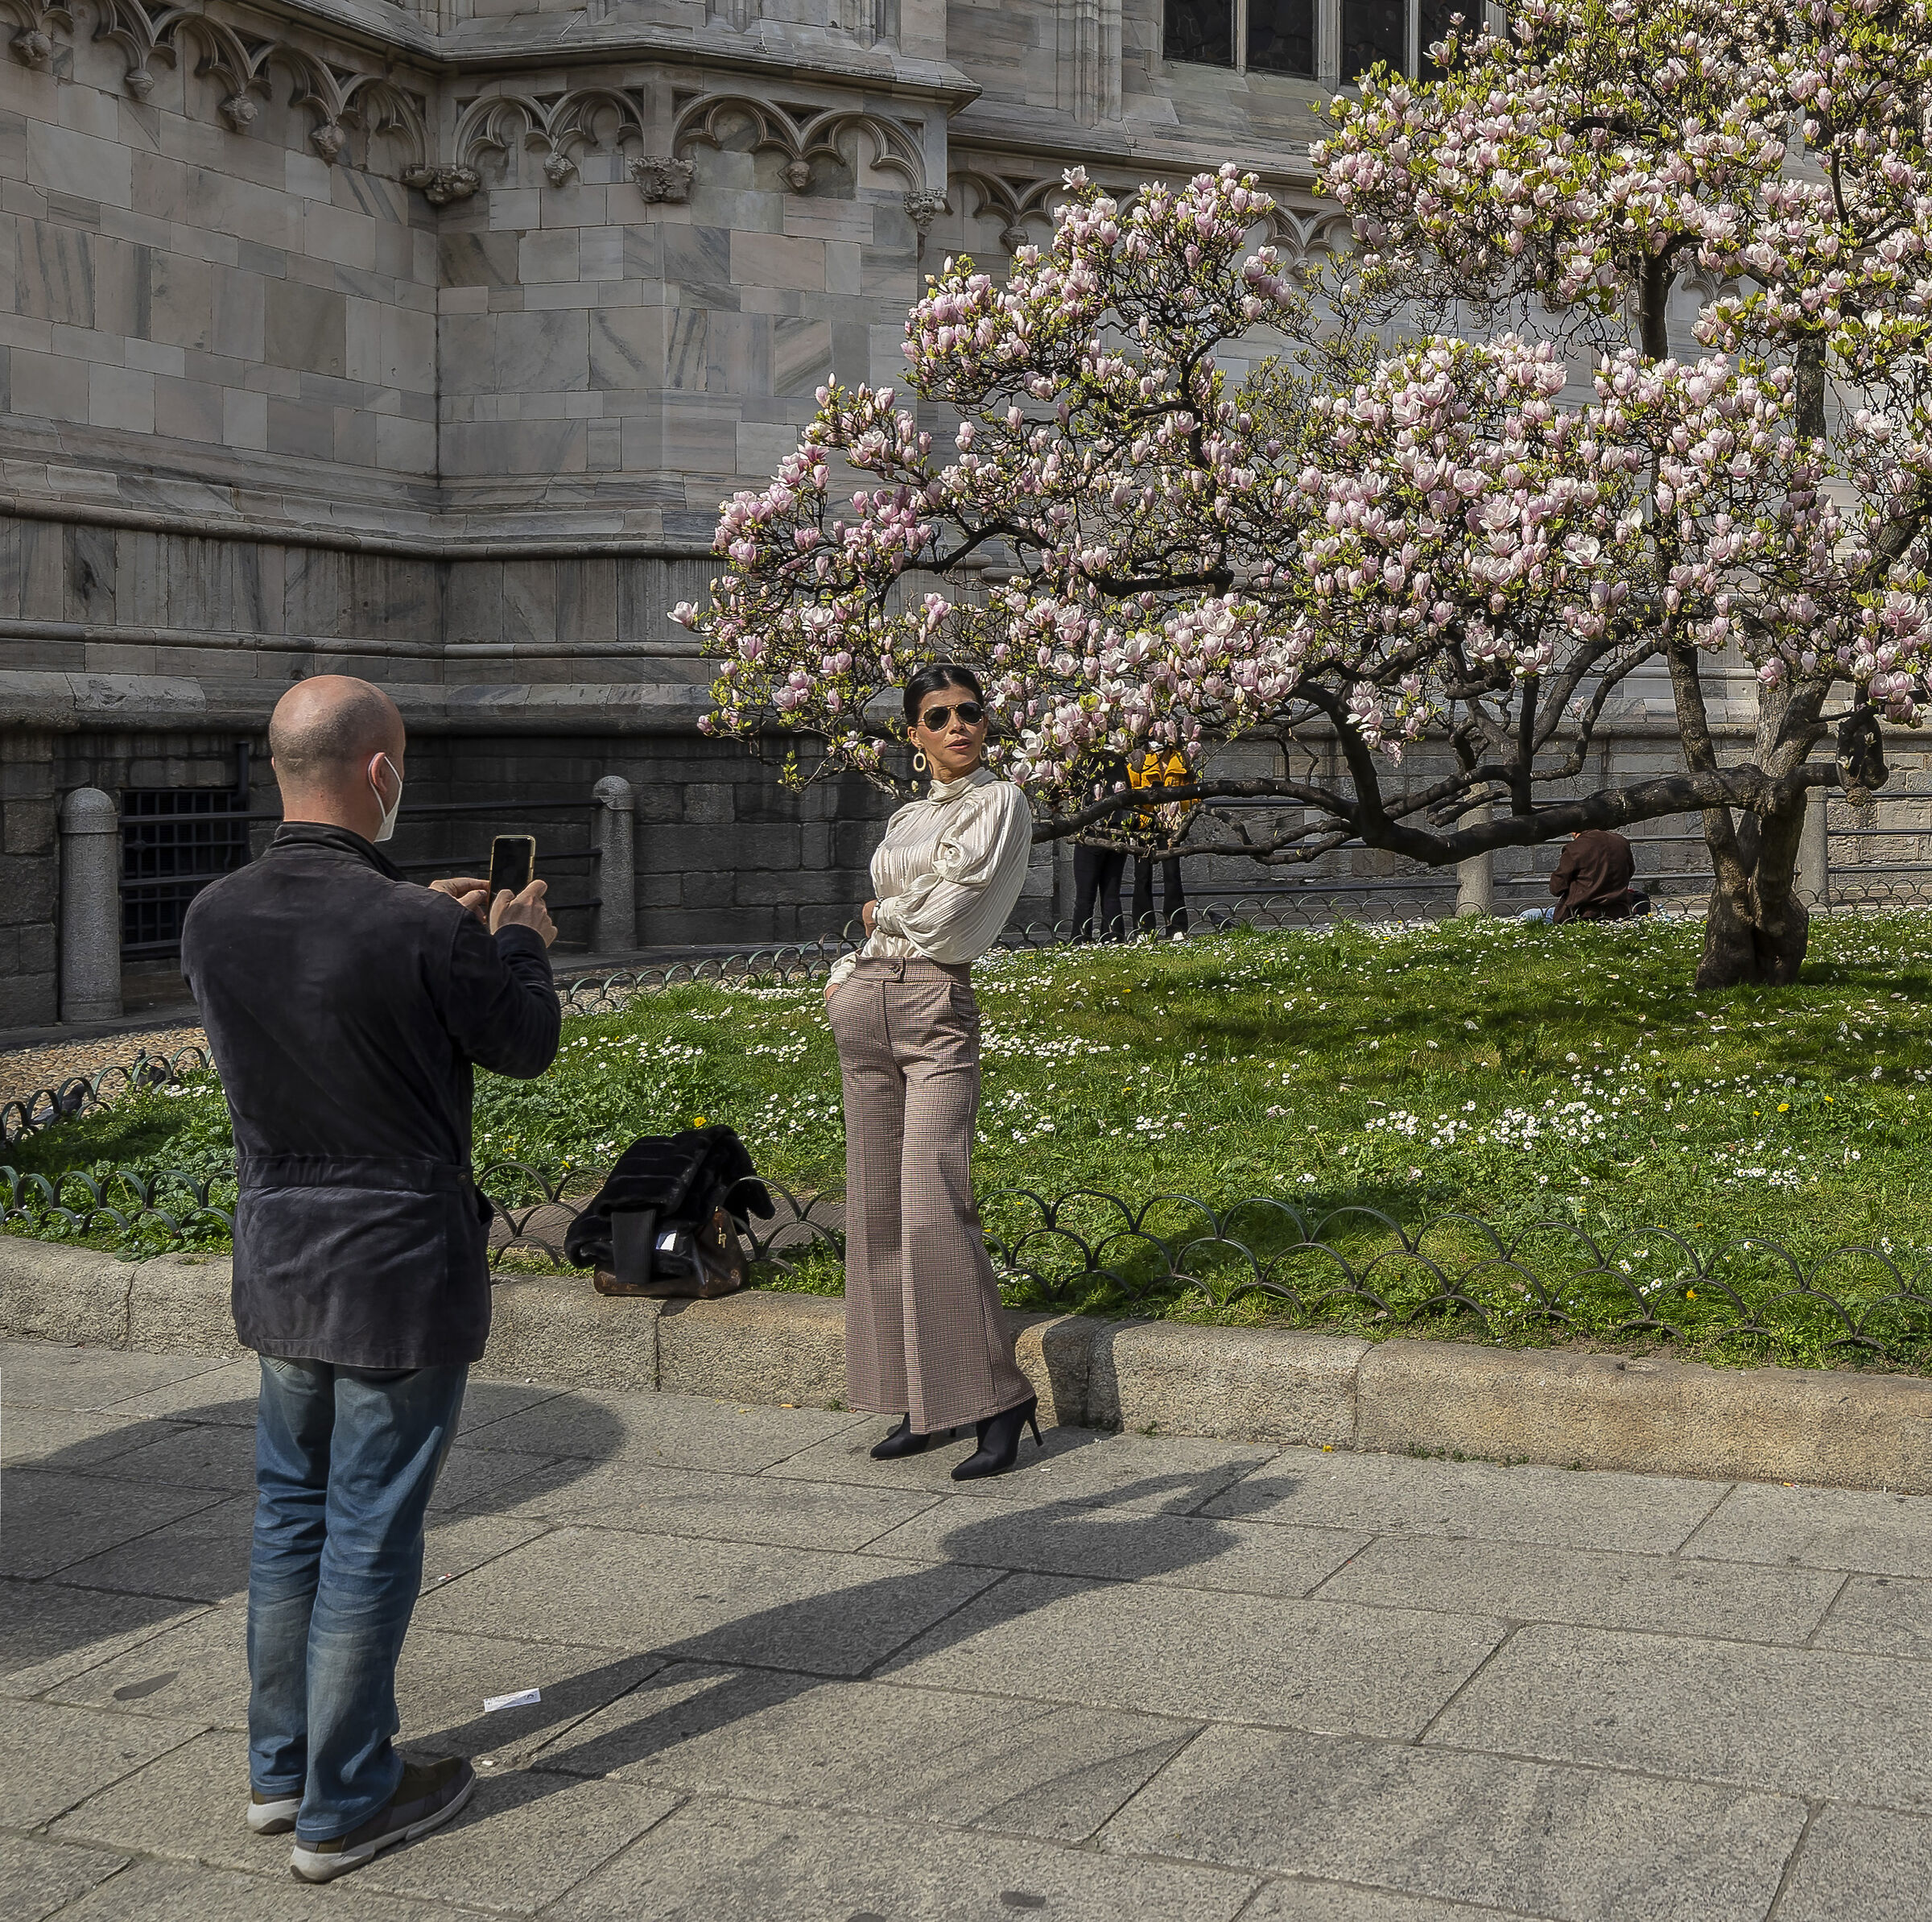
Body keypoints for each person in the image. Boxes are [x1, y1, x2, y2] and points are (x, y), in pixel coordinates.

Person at [180, 676, 560, 1883]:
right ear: (381, 773)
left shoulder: (213, 915)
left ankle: (280, 1768)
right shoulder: (420, 928)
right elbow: (523, 1042)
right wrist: (517, 939)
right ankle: (348, 1798)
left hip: (282, 1252)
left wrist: (431, 920)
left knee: (289, 1510)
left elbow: (323, 980)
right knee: (369, 1526)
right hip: (396, 1259)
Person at [823, 664, 1042, 1479]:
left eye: (970, 712)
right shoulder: (908, 816)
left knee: (932, 1209)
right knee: (878, 1210)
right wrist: (846, 974)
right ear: (914, 734)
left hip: (934, 1003)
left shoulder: (1001, 802)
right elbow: (893, 916)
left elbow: (952, 918)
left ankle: (997, 1397)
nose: (958, 727)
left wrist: (885, 911)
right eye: (939, 716)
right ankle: (921, 1397)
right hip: (866, 1002)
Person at [1128, 745, 1195, 937]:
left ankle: (1177, 927)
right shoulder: (1140, 759)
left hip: (1170, 822)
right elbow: (1128, 792)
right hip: (1144, 821)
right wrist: (1148, 794)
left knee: (1172, 874)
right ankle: (1143, 929)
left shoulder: (1181, 760)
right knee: (1142, 875)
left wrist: (1177, 803)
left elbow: (1193, 795)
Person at [1521, 827, 1652, 924]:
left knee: (1527, 915)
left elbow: (1556, 888)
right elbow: (1630, 872)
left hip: (1580, 914)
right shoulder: (1621, 842)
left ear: (1574, 831)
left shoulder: (1575, 848)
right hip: (1618, 913)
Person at [1071, 747, 1130, 941]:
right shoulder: (1118, 761)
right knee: (1111, 893)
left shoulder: (1085, 763)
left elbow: (1076, 794)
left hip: (1093, 831)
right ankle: (1114, 938)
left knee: (1085, 896)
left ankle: (1081, 939)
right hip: (1118, 830)